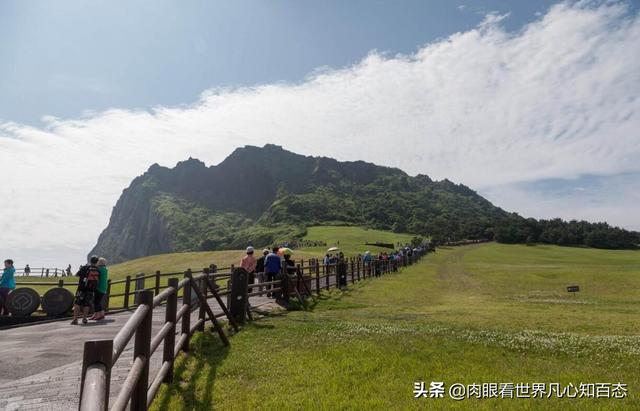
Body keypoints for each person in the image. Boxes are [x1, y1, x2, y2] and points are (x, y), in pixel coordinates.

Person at [71, 256, 100, 325]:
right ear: (96, 262)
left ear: (90, 261)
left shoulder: (84, 267)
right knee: (86, 304)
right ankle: (84, 318)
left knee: (77, 303)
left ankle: (75, 319)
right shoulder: (97, 270)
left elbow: (76, 275)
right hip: (91, 290)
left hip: (81, 289)